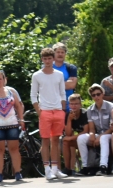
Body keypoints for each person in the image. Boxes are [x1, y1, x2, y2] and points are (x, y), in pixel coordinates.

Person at [32, 47, 68, 180]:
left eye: (49, 58)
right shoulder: (37, 75)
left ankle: (55, 168)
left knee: (56, 140)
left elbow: (62, 92)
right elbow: (33, 95)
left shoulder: (59, 74)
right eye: (45, 58)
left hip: (58, 110)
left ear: (53, 59)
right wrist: (38, 110)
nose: (47, 61)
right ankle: (47, 169)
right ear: (42, 59)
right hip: (45, 111)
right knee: (45, 140)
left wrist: (63, 108)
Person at [0, 69, 25, 183]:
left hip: (12, 123)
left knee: (14, 149)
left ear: (4, 79)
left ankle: (17, 172)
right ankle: (0, 174)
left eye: (0, 78)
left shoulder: (11, 91)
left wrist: (21, 119)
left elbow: (18, 105)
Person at [78, 84, 113, 174]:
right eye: (94, 95)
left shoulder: (111, 107)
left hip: (110, 134)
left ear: (103, 94)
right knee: (81, 138)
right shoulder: (90, 110)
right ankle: (86, 166)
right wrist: (91, 135)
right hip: (98, 134)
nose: (96, 97)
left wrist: (99, 137)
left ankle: (103, 166)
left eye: (98, 94)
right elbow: (91, 128)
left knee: (103, 138)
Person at [62, 93, 88, 175]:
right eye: (72, 104)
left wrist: (71, 138)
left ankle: (84, 167)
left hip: (88, 138)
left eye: (76, 104)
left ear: (80, 104)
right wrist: (69, 120)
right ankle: (68, 168)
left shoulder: (84, 113)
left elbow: (86, 131)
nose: (74, 106)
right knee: (66, 142)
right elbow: (68, 133)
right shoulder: (68, 115)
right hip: (79, 138)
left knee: (70, 139)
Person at [52, 42, 78, 110]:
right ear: (54, 53)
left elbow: (72, 85)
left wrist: (53, 83)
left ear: (65, 54)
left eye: (62, 52)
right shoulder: (48, 67)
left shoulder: (71, 68)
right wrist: (65, 83)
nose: (60, 54)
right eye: (58, 52)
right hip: (52, 105)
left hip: (68, 106)